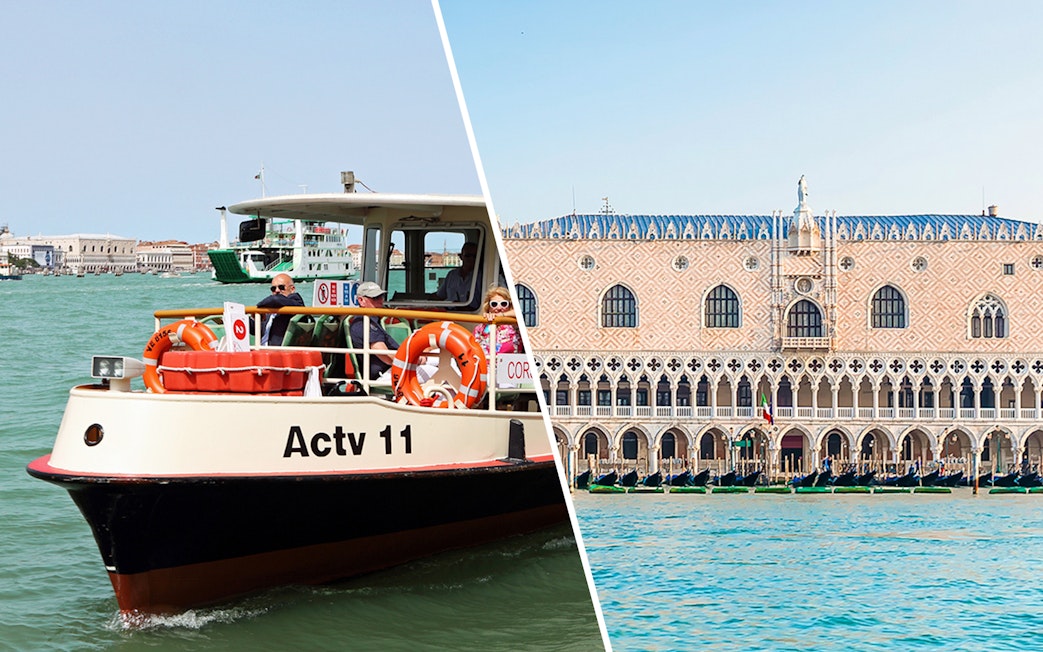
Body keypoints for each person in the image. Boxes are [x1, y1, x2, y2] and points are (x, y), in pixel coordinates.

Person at [350, 281, 436, 383]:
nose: (381, 301)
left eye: (381, 297)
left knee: (443, 357)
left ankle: (452, 396)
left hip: (394, 366)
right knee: (437, 373)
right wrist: (413, 360)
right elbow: (385, 355)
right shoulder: (364, 322)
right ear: (361, 301)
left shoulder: (372, 320)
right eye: (375, 298)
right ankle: (455, 396)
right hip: (385, 373)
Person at [256, 273, 305, 345]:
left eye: (281, 287)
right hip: (262, 350)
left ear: (292, 289)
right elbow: (258, 328)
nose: (277, 290)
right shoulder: (271, 308)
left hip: (277, 353)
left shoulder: (296, 302)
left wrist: (257, 308)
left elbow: (275, 299)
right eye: (273, 288)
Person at [473, 286, 522, 356]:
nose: (499, 308)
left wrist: (501, 315)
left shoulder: (514, 325)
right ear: (489, 307)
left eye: (504, 304)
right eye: (494, 304)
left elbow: (520, 313)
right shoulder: (480, 328)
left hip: (508, 364)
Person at [434, 242, 481, 309]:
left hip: (474, 314)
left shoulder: (481, 277)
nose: (471, 259)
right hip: (450, 314)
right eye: (468, 256)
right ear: (461, 256)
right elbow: (440, 296)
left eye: (474, 256)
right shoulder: (451, 275)